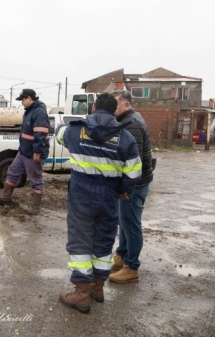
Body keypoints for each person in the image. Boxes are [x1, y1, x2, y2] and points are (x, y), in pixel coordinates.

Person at [56, 92, 142, 313]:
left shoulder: (75, 130)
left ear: (93, 108)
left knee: (80, 243)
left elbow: (58, 134)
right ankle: (97, 288)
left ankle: (81, 295)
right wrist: (124, 191)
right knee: (103, 243)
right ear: (115, 111)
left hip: (81, 196)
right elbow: (134, 173)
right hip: (109, 196)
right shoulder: (125, 138)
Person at [108, 89, 154, 284]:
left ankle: (132, 267)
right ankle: (122, 255)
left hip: (134, 185)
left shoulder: (132, 125)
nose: (112, 109)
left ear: (126, 105)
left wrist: (126, 188)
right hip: (129, 184)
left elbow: (132, 163)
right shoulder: (126, 121)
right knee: (124, 222)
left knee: (131, 225)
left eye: (115, 105)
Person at [0, 89, 50, 215]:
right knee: (12, 172)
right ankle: (5, 198)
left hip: (33, 153)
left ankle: (35, 209)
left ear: (29, 98)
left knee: (36, 179)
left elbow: (40, 133)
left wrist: (37, 152)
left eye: (22, 100)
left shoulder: (39, 112)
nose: (22, 103)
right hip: (23, 151)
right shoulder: (29, 112)